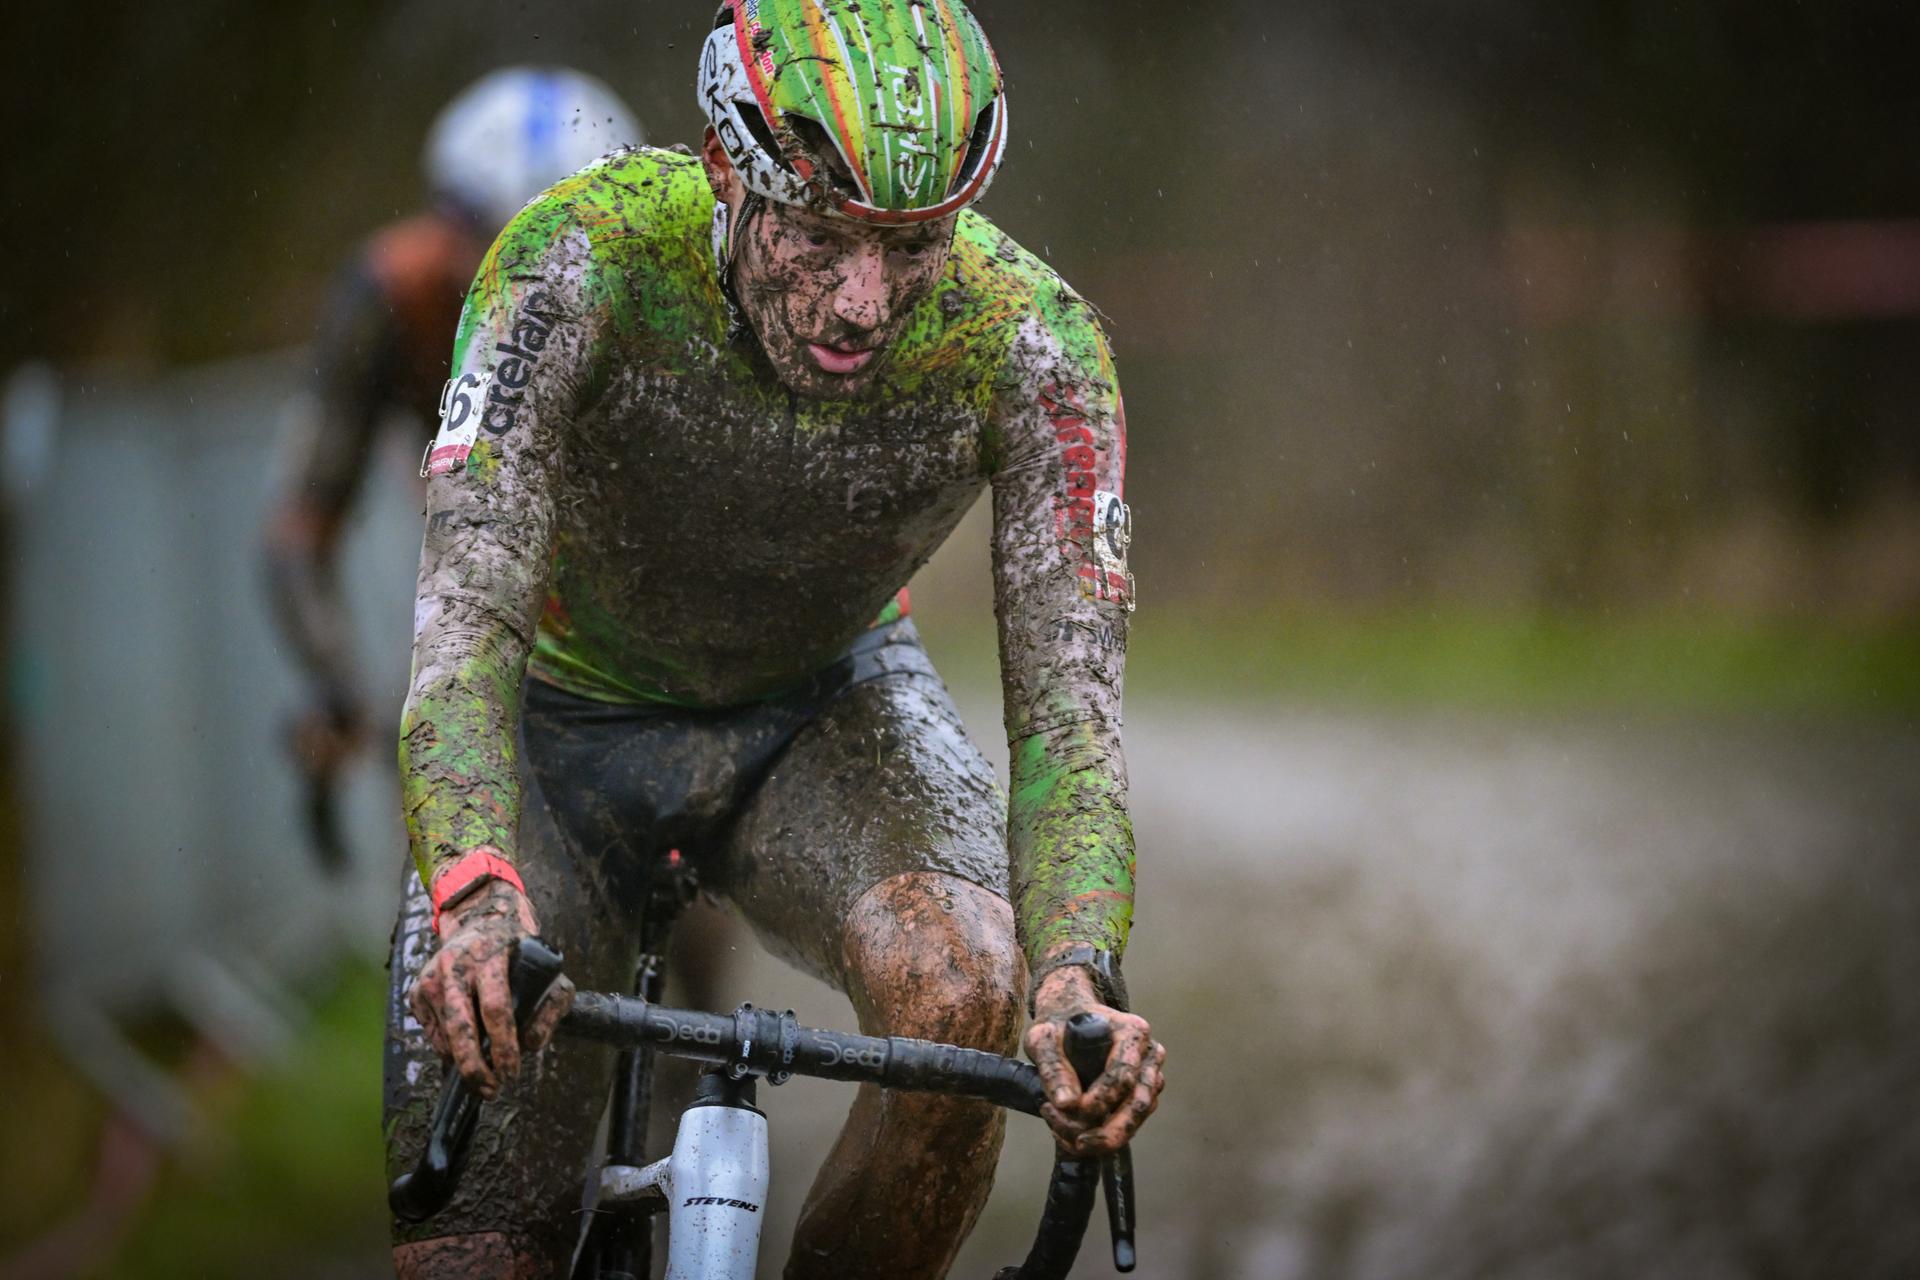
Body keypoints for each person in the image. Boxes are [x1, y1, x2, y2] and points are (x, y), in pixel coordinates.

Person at [387, 3, 1167, 1276]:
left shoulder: (1036, 344)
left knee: (966, 987)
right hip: (557, 721)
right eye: (818, 232)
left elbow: (1071, 724)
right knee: (473, 1248)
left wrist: (1077, 970)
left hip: (825, 713)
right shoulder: (574, 256)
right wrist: (475, 884)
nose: (864, 301)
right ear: (722, 164)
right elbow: (466, 620)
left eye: (914, 244)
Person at [262, 66, 643, 827]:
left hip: (624, 587)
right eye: (502, 245)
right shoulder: (393, 296)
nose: (533, 287)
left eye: (568, 255)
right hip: (475, 576)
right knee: (450, 808)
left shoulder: (667, 284)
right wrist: (340, 691)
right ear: (448, 227)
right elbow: (299, 533)